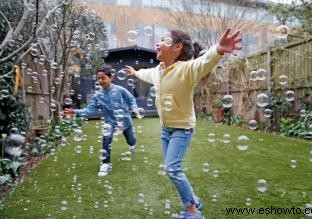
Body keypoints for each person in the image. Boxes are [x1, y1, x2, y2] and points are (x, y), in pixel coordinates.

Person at [124, 27, 242, 219]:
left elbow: (204, 62)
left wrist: (219, 49)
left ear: (177, 47)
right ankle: (194, 200)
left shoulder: (186, 70)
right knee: (170, 168)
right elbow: (146, 74)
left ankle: (193, 212)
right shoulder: (158, 71)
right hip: (166, 129)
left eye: (163, 39)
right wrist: (136, 73)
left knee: (172, 169)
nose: (157, 43)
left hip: (182, 128)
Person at [64, 64, 142, 177]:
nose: (100, 80)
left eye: (103, 77)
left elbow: (131, 99)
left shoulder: (120, 90)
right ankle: (106, 164)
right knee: (106, 138)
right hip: (110, 122)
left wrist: (135, 110)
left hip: (124, 121)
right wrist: (75, 112)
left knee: (130, 140)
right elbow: (89, 111)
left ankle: (132, 144)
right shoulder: (98, 96)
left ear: (111, 77)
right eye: (98, 78)